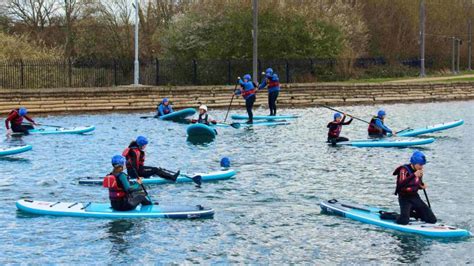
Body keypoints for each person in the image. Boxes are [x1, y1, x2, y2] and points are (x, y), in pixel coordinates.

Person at [393, 151, 437, 225]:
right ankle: (396, 216)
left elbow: (416, 184)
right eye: (420, 165)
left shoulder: (419, 171)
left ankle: (411, 213)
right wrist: (414, 175)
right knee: (403, 221)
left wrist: (421, 186)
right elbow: (401, 184)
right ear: (414, 163)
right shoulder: (403, 170)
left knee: (432, 220)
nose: (421, 167)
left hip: (414, 197)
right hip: (404, 198)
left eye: (422, 165)